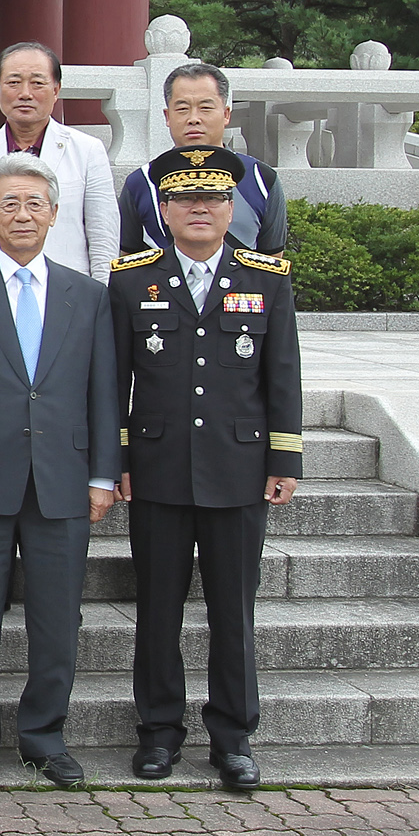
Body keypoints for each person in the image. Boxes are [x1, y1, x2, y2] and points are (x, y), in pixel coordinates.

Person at [0, 152, 121, 789]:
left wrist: (102, 475)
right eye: (10, 203)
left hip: (62, 479)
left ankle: (44, 736)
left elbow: (104, 391)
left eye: (36, 204)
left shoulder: (88, 296)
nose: (24, 215)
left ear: (55, 214)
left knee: (57, 617)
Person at [110, 146, 303, 792]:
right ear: (164, 210)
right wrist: (119, 458)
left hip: (238, 468)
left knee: (233, 611)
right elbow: (114, 380)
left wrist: (284, 456)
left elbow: (283, 374)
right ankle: (159, 731)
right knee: (157, 609)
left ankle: (233, 737)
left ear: (231, 209)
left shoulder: (266, 278)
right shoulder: (132, 280)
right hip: (158, 469)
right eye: (187, 199)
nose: (200, 208)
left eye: (214, 198)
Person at [0, 42, 121, 282]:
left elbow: (103, 238)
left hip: (67, 293)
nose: (25, 93)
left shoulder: (88, 151)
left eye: (38, 83)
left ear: (56, 89)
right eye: (14, 82)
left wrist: (99, 295)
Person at [119, 62, 288, 256]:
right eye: (182, 109)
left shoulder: (261, 179)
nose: (194, 118)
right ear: (167, 116)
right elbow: (127, 263)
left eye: (205, 108)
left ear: (226, 114)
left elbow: (272, 263)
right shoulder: (142, 182)